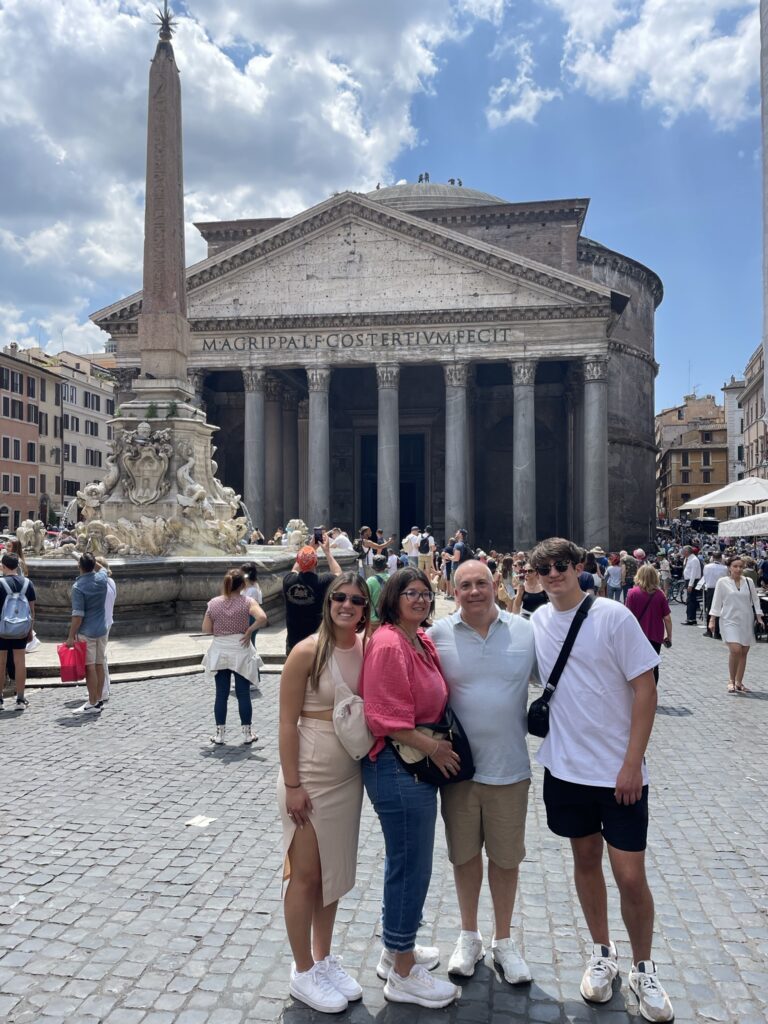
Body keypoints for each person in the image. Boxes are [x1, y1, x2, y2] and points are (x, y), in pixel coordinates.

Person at [528, 538, 673, 1023]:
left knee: (630, 876)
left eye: (561, 565)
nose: (553, 574)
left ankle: (643, 968)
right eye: (544, 569)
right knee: (586, 861)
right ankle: (601, 952)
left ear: (579, 567)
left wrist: (632, 763)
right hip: (566, 770)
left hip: (618, 774)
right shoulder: (537, 621)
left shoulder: (613, 617)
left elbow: (645, 690)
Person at [428, 561, 535, 985]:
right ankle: (469, 934)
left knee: (506, 859)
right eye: (465, 585)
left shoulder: (525, 631)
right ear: (454, 591)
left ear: (496, 585)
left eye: (481, 583)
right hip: (459, 769)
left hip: (510, 767)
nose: (474, 591)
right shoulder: (437, 635)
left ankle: (503, 939)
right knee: (464, 856)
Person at [360, 568, 460, 1008]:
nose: (420, 599)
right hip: (400, 767)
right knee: (411, 865)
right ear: (392, 598)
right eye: (410, 593)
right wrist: (434, 748)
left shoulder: (416, 638)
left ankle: (396, 949)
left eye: (425, 593)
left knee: (407, 861)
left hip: (411, 765)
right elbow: (382, 717)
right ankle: (402, 973)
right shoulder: (389, 643)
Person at [277, 572, 370, 1013]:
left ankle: (323, 957)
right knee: (306, 875)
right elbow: (285, 723)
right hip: (309, 776)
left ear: (365, 608)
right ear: (328, 602)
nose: (347, 605)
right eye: (339, 598)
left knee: (332, 873)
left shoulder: (368, 647)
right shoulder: (306, 652)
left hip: (348, 776)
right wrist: (293, 785)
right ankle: (302, 969)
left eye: (356, 599)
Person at [202, 568, 266, 744]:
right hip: (240, 648)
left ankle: (220, 734)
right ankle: (247, 733)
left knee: (221, 694)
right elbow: (262, 617)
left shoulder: (213, 603)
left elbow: (206, 629)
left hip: (220, 649)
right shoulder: (247, 601)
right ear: (242, 585)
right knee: (243, 693)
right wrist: (249, 630)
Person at [709, 555, 764, 695]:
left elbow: (755, 600)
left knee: (744, 651)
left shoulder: (748, 581)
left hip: (746, 619)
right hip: (729, 619)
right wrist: (712, 619)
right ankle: (731, 680)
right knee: (735, 649)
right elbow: (716, 601)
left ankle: (739, 682)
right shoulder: (722, 582)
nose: (738, 569)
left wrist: (759, 616)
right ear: (729, 568)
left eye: (741, 566)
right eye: (735, 566)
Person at [282, 537, 341, 654]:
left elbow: (295, 569)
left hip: (293, 643)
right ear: (316, 563)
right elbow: (339, 574)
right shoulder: (323, 581)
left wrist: (309, 548)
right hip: (316, 642)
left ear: (298, 562)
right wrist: (327, 552)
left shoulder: (288, 581)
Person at [66, 553, 109, 714]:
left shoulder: (78, 587)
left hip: (86, 632)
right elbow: (104, 568)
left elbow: (78, 615)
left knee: (90, 667)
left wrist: (71, 636)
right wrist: (91, 561)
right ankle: (99, 699)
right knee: (99, 665)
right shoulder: (102, 579)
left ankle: (92, 702)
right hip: (101, 629)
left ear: (79, 566)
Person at [625, 565, 672, 685]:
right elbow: (667, 618)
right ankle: (652, 691)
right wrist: (669, 636)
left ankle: (638, 690)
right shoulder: (660, 594)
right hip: (655, 635)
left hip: (637, 635)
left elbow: (627, 616)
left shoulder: (632, 593)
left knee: (636, 664)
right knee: (653, 665)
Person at [0, 553, 35, 711]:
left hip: (2, 628)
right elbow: (32, 611)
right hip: (21, 628)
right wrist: (30, 629)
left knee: (1, 663)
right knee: (20, 662)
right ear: (17, 566)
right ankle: (20, 699)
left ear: (3, 566)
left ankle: (0, 699)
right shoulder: (27, 583)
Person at [94, 557, 117, 703]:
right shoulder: (111, 582)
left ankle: (102, 691)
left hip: (100, 624)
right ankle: (104, 687)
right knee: (101, 656)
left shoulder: (100, 585)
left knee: (99, 658)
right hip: (107, 621)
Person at [701, 553, 727, 639]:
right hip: (721, 590)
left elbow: (705, 577)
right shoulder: (724, 568)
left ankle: (709, 631)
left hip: (710, 589)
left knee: (709, 609)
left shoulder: (707, 567)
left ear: (712, 558)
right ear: (720, 558)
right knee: (719, 610)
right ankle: (717, 632)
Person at [365, 554, 390, 631]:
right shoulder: (392, 578)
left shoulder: (370, 581)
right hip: (389, 618)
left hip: (374, 618)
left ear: (374, 567)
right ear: (385, 566)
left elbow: (366, 599)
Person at [681, 545, 702, 625]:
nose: (682, 552)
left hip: (692, 581)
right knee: (690, 600)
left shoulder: (694, 560)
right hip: (688, 580)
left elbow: (693, 573)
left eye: (683, 551)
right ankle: (690, 618)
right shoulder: (688, 559)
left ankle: (691, 619)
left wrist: (690, 584)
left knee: (691, 600)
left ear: (687, 552)